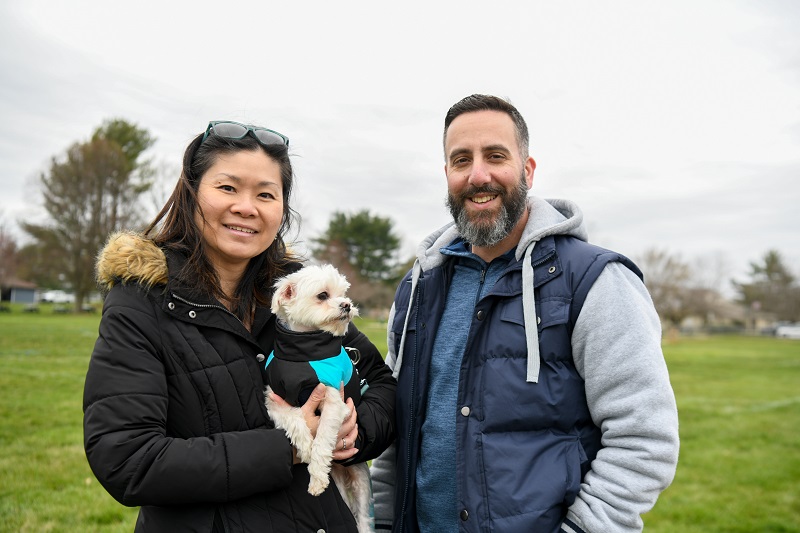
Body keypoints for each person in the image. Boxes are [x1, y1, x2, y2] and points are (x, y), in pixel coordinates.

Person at [370, 95, 679, 533]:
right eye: (462, 160)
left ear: (528, 170)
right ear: (447, 175)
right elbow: (397, 434)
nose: (478, 175)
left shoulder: (595, 280)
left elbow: (645, 439)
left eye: (496, 156)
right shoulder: (417, 288)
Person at [83, 120, 396, 532]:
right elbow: (127, 458)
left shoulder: (299, 297)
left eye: (266, 194)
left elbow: (382, 384)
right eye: (228, 188)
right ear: (192, 192)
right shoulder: (141, 303)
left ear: (281, 208)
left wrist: (355, 433)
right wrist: (292, 446)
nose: (247, 207)